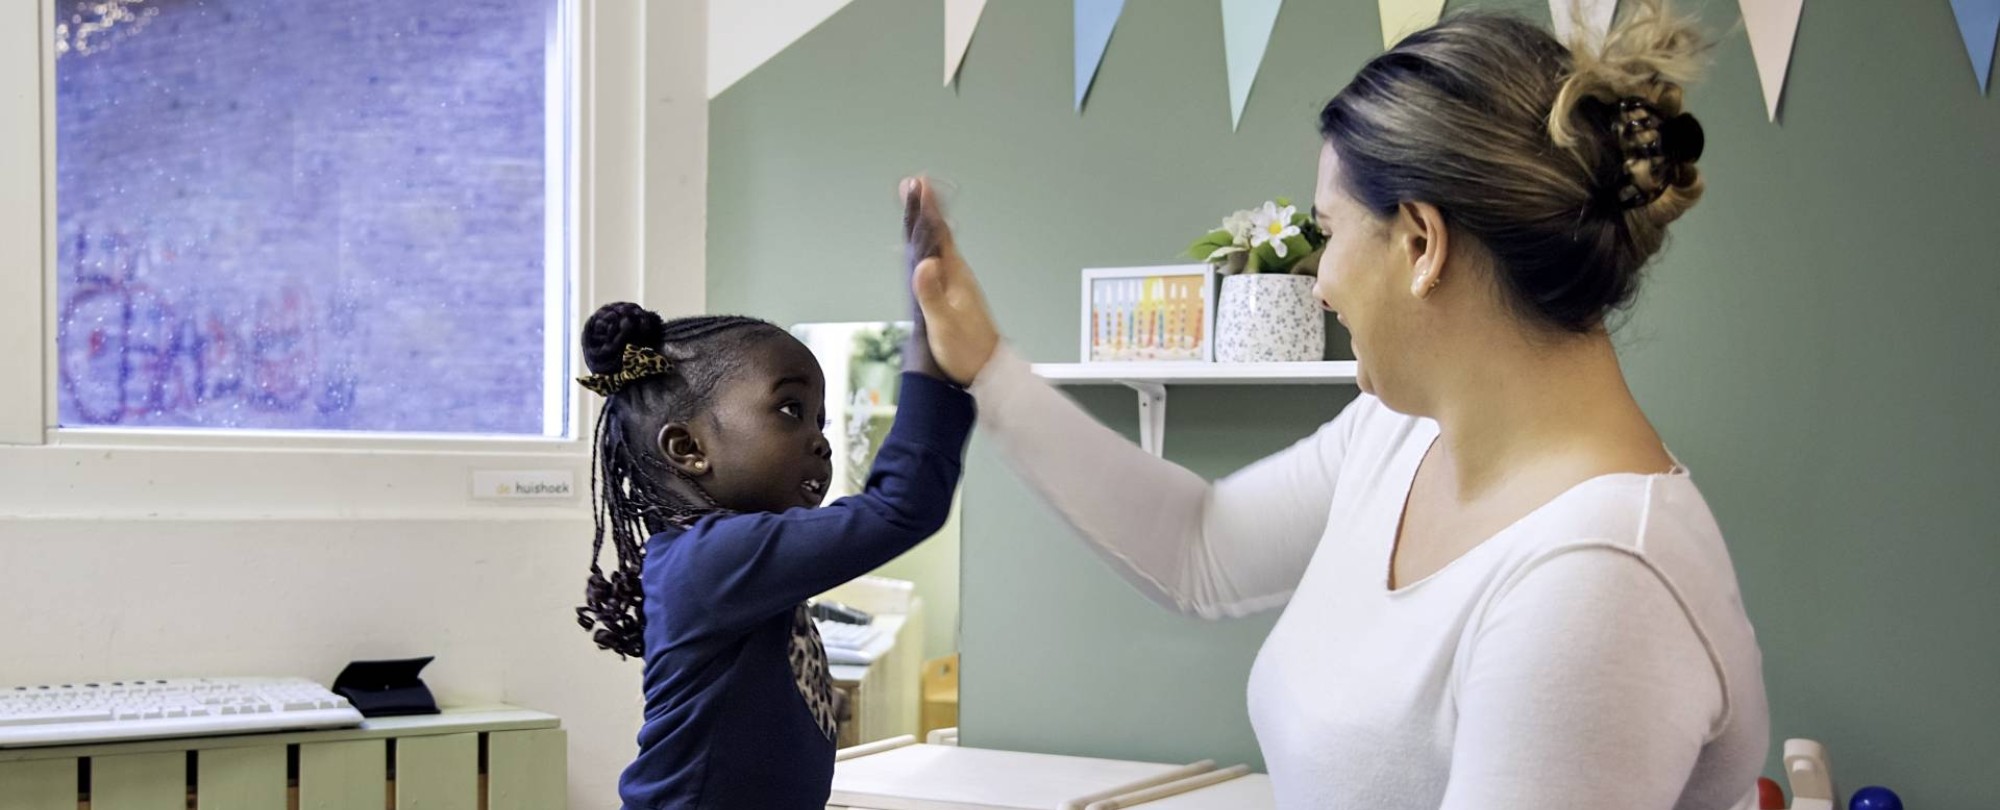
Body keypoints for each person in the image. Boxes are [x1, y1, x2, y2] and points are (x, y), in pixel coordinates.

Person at [900, 2, 1768, 807]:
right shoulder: (1399, 435)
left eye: (1330, 230)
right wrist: (987, 366)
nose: (1322, 281)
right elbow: (1201, 546)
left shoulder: (1597, 579)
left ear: (1422, 243)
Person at [572, 292, 973, 807]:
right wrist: (931, 351)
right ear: (688, 449)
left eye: (820, 422)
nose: (819, 441)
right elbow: (900, 508)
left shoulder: (727, 557)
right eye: (791, 410)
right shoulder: (712, 560)